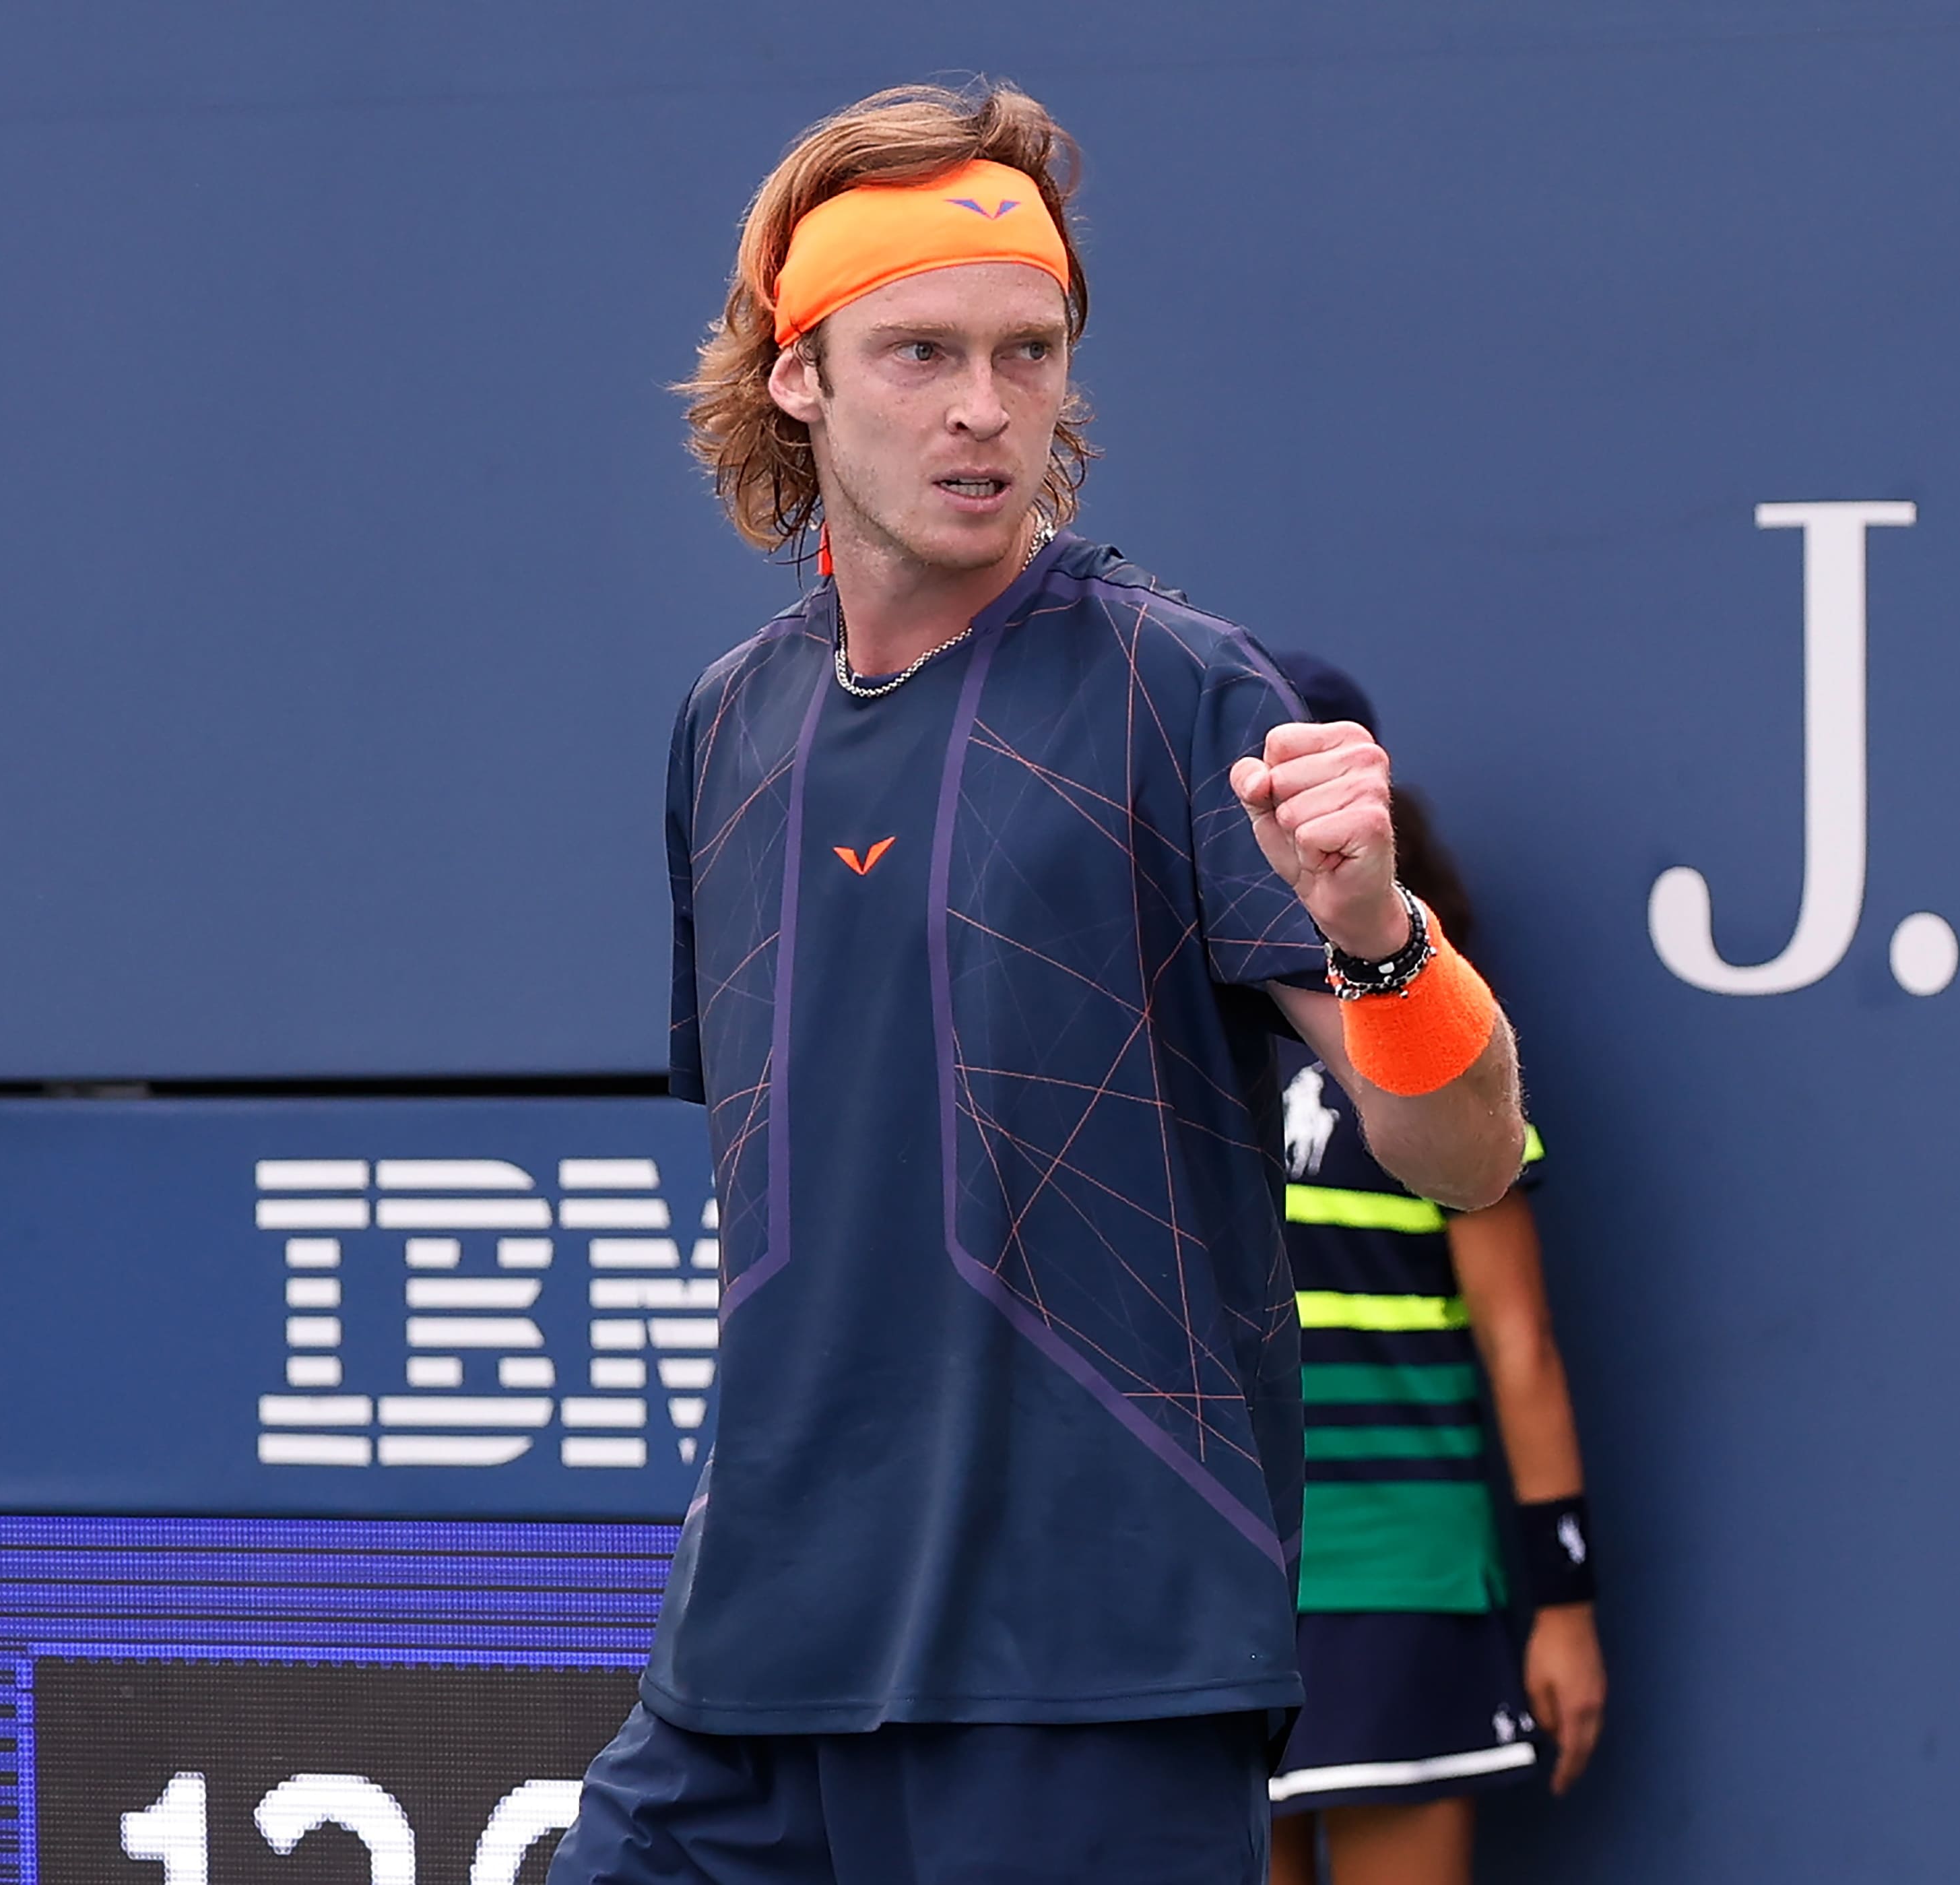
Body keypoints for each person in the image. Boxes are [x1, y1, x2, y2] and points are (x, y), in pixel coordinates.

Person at [547, 81, 1528, 1885]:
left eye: (1029, 352)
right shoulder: (727, 723)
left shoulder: (1189, 692)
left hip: (1092, 1668)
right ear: (797, 374)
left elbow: (1460, 1155)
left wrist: (1383, 931)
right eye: (920, 351)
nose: (985, 408)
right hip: (750, 1663)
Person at [1260, 653, 1606, 1885]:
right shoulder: (1145, 1027)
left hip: (1402, 1574)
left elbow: (1519, 1341)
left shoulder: (1439, 1043)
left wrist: (1562, 1599)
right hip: (1201, 1579)